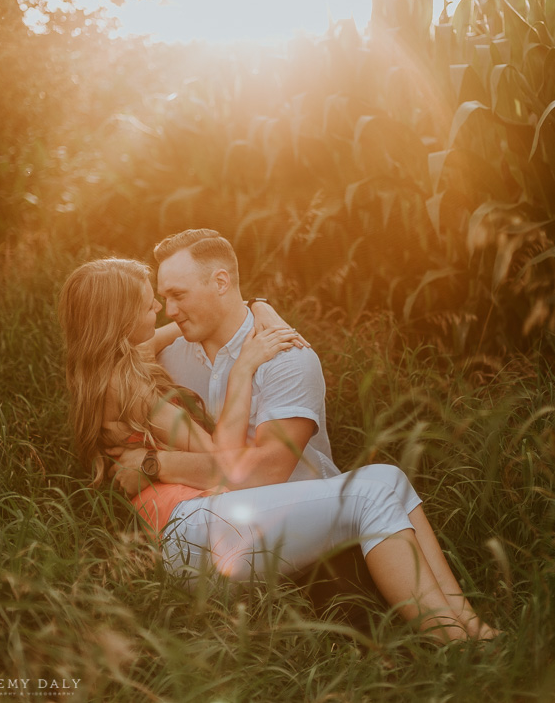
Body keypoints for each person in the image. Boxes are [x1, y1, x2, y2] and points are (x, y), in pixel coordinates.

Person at [59, 253, 499, 644]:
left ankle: (469, 626)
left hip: (199, 527)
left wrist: (255, 306)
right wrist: (244, 369)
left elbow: (187, 320)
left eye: (166, 298)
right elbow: (223, 459)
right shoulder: (131, 383)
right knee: (373, 491)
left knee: (389, 479)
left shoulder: (109, 370)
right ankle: (455, 640)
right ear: (120, 317)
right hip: (190, 531)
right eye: (147, 303)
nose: (160, 309)